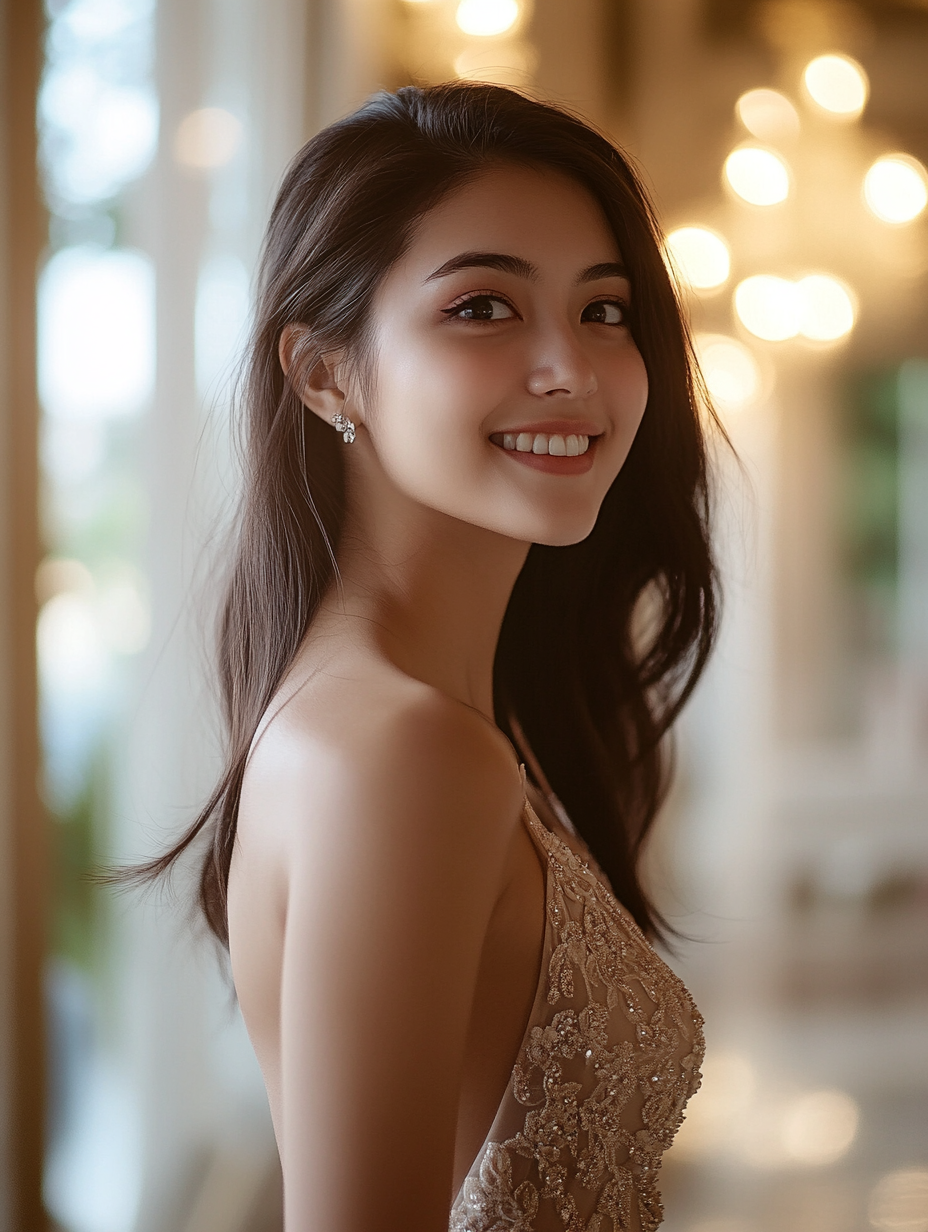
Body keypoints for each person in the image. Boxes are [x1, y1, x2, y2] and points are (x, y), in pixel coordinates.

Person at [140, 82, 720, 1231]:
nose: (572, 367)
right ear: (325, 375)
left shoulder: (417, 719)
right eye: (482, 308)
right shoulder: (406, 752)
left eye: (604, 311)